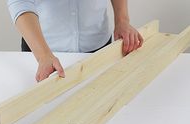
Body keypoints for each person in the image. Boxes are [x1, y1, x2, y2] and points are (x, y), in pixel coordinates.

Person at [8, 0, 143, 82]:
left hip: (98, 47)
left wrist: (122, 21)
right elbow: (20, 1)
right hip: (42, 53)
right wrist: (43, 55)